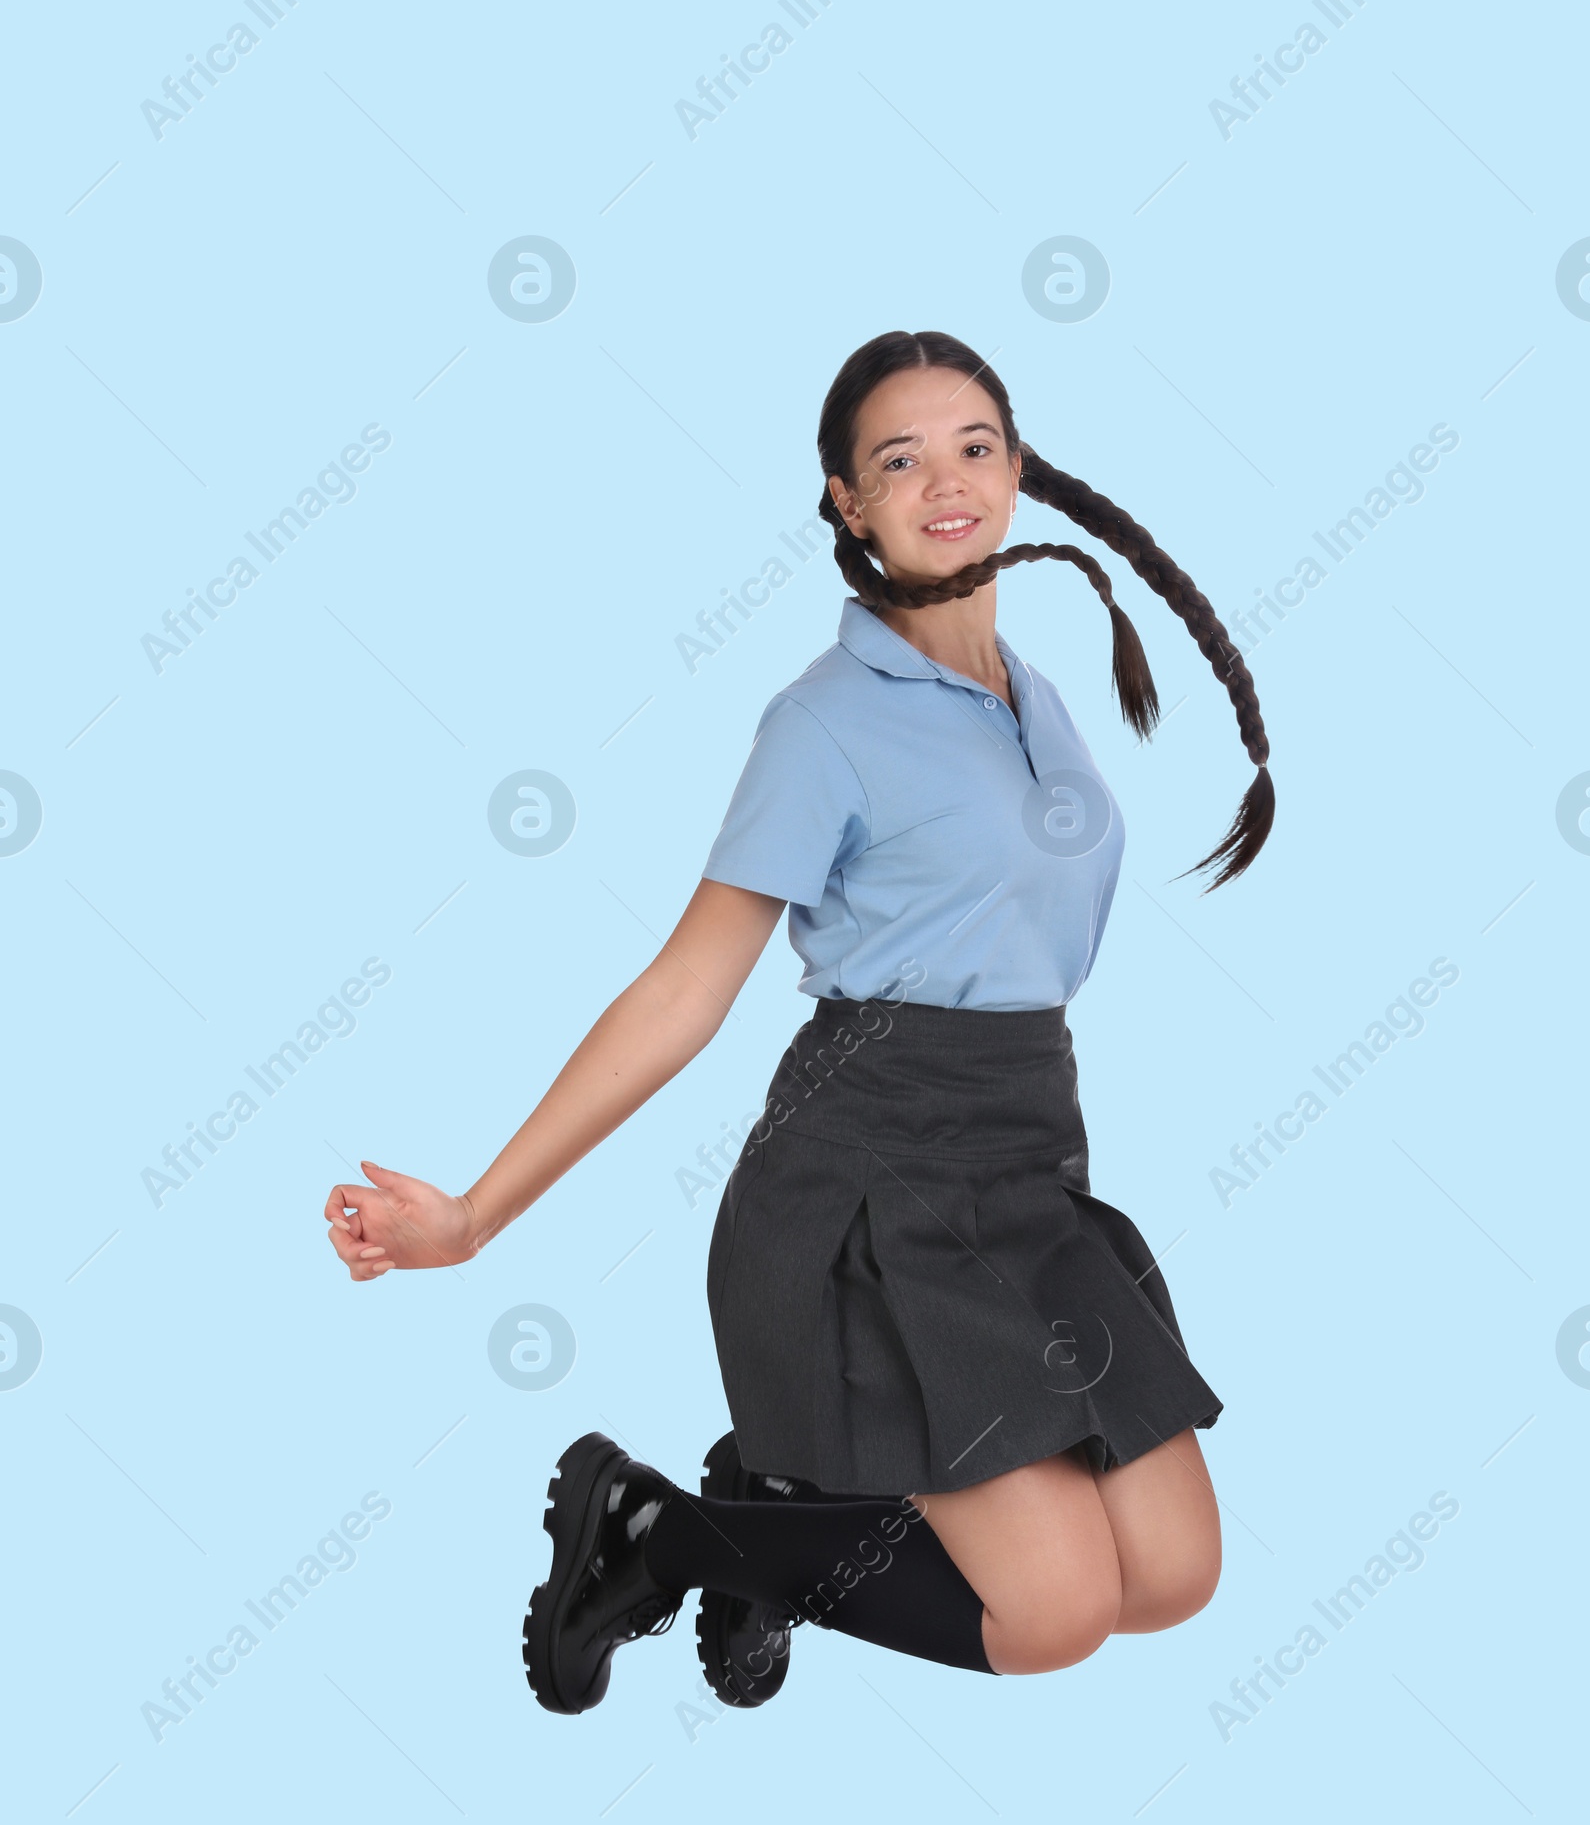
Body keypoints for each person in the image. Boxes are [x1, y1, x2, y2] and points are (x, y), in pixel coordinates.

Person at [323, 329, 1273, 1719]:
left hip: (1029, 1168)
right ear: (847, 498)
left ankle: (770, 1507)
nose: (945, 482)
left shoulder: (1037, 694)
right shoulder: (823, 724)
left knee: (1175, 1574)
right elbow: (682, 991)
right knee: (1056, 1613)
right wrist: (472, 1217)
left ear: (1017, 470)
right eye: (900, 460)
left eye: (975, 447)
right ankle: (667, 1534)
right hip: (873, 1184)